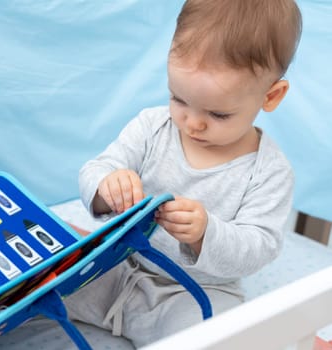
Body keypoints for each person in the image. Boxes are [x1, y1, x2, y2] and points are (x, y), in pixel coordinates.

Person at [64, 0, 303, 347]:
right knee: (39, 282)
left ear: (271, 95)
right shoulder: (151, 127)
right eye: (179, 99)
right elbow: (96, 169)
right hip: (118, 268)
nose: (192, 123)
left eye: (218, 114)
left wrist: (206, 233)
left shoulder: (269, 171)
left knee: (223, 334)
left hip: (193, 292)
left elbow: (259, 247)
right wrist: (107, 185)